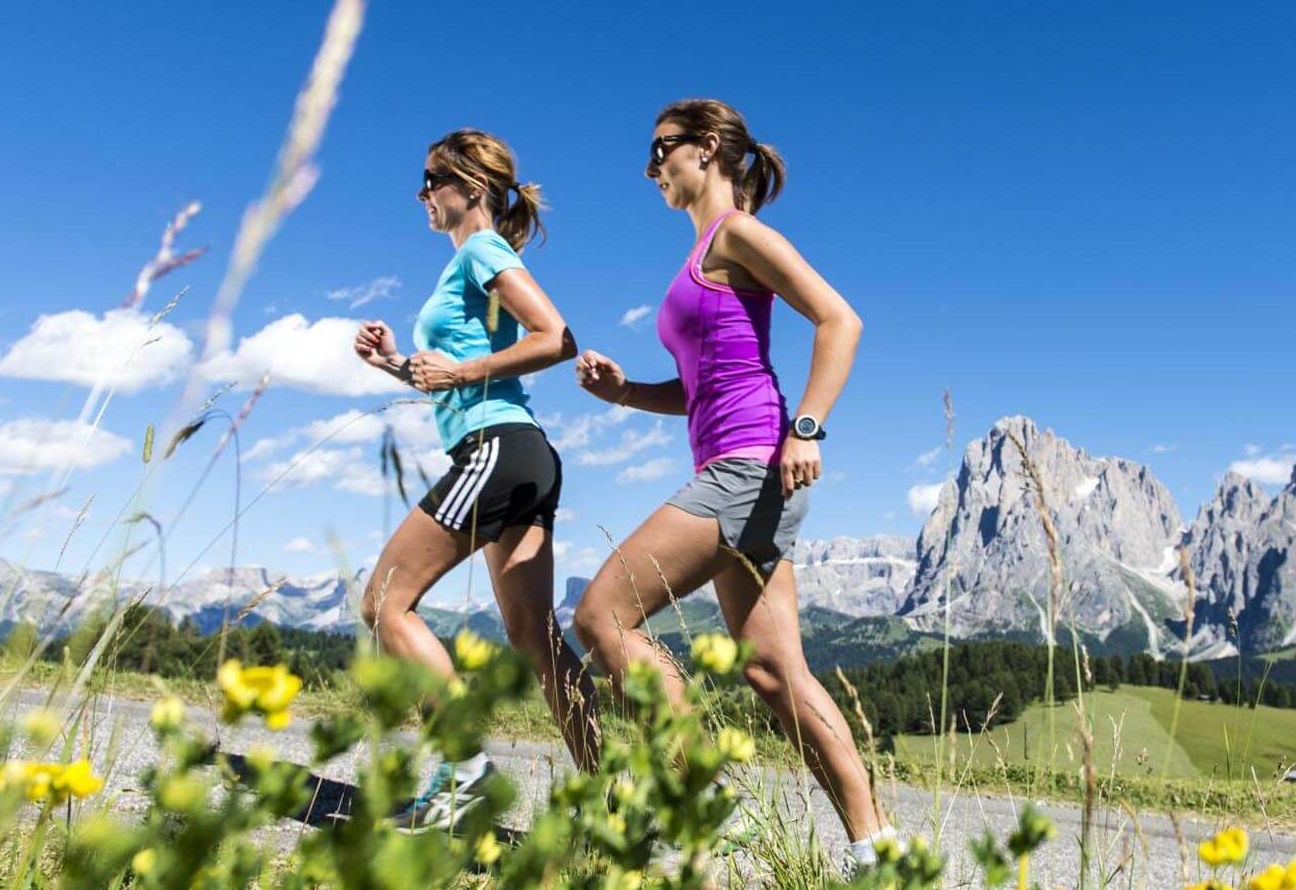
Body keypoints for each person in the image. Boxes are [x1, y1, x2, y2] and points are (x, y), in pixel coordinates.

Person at [572, 99, 891, 871]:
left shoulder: (739, 235)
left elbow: (839, 320)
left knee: (601, 616)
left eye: (660, 152)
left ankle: (704, 802)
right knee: (772, 670)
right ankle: (880, 852)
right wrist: (624, 394)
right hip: (738, 466)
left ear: (706, 148)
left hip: (749, 469)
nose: (651, 170)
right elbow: (701, 387)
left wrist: (807, 426)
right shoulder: (703, 255)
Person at [352, 128, 599, 832]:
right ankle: (617, 802)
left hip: (496, 449)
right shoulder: (467, 263)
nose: (422, 192)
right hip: (523, 454)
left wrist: (457, 371)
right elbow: (455, 372)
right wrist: (398, 364)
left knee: (383, 603)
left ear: (472, 189)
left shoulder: (483, 251)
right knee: (535, 639)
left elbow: (556, 336)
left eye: (432, 178)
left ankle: (464, 775)